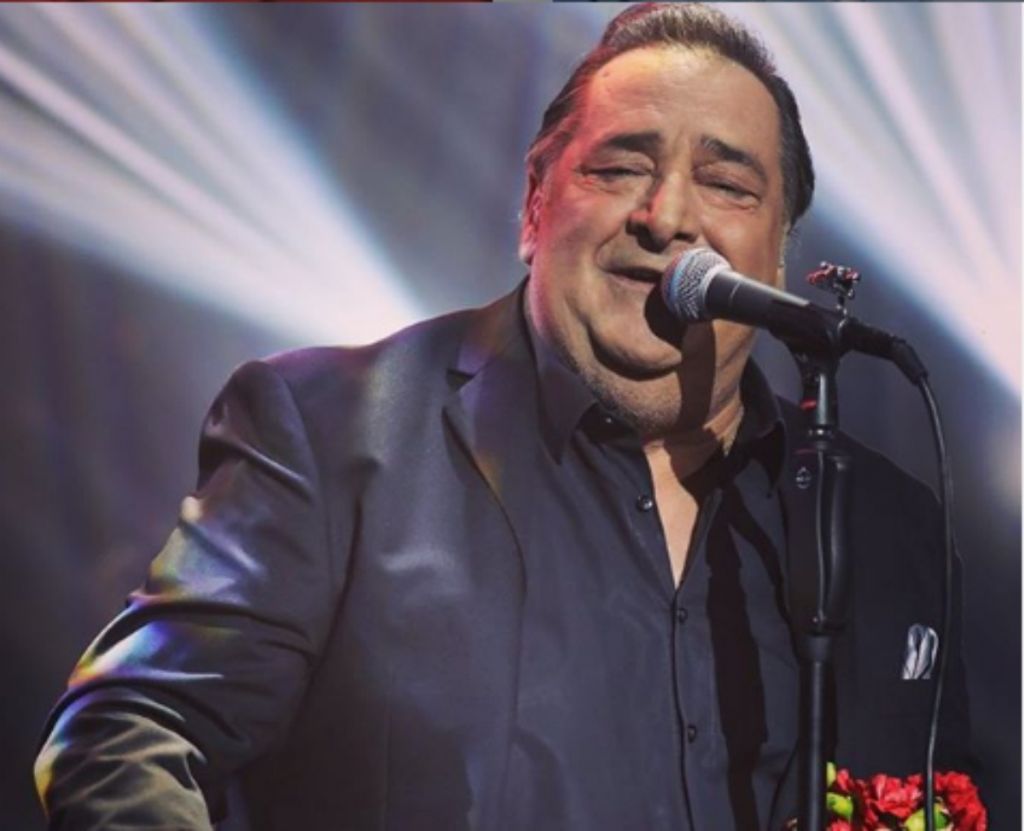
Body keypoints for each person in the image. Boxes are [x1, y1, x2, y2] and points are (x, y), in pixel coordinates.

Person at [35, 4, 972, 829]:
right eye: (621, 166)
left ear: (777, 256)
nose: (668, 216)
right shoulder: (329, 432)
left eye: (728, 184)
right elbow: (128, 733)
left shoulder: (887, 526)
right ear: (534, 206)